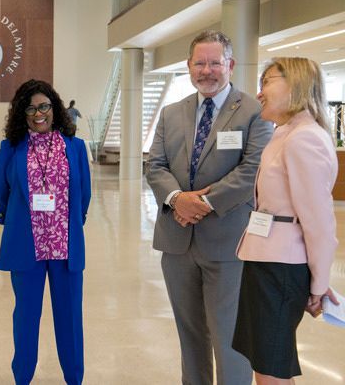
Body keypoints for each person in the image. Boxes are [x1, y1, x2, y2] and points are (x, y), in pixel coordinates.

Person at [145, 30, 273, 385]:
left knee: (229, 336)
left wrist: (200, 202)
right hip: (177, 242)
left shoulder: (254, 111)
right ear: (188, 66)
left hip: (228, 242)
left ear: (229, 65)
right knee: (190, 336)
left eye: (215, 62)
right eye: (199, 62)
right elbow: (155, 166)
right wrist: (176, 199)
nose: (207, 70)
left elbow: (252, 170)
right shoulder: (172, 113)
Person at [232, 57, 340, 384]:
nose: (259, 92)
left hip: (280, 267)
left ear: (294, 85)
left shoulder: (304, 137)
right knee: (267, 367)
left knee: (271, 370)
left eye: (267, 82)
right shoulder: (285, 133)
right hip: (267, 261)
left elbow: (319, 222)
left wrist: (319, 284)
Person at [0, 79, 91, 384]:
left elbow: (83, 193)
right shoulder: (11, 148)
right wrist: (19, 221)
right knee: (26, 318)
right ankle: (22, 378)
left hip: (65, 247)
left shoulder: (75, 147)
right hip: (26, 248)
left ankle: (74, 378)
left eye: (44, 106)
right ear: (22, 113)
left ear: (55, 108)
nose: (38, 113)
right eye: (30, 108)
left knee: (70, 319)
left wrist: (66, 222)